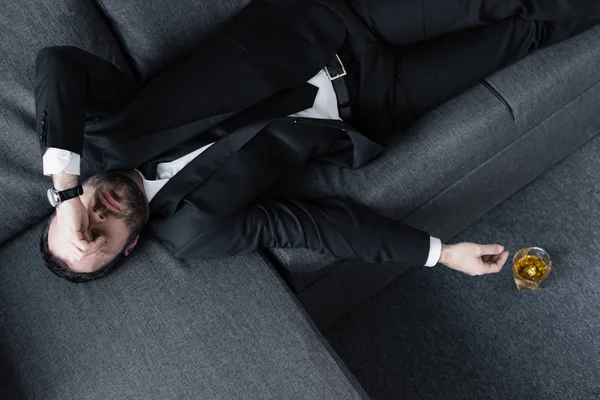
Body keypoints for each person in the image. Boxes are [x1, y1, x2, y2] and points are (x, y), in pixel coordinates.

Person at [35, 0, 599, 282]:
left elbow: (57, 64)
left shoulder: (105, 127)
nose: (96, 219)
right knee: (529, 32)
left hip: (338, 17)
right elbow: (319, 227)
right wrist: (441, 253)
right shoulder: (195, 232)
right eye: (98, 240)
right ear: (129, 247)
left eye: (82, 220)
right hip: (379, 98)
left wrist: (63, 196)